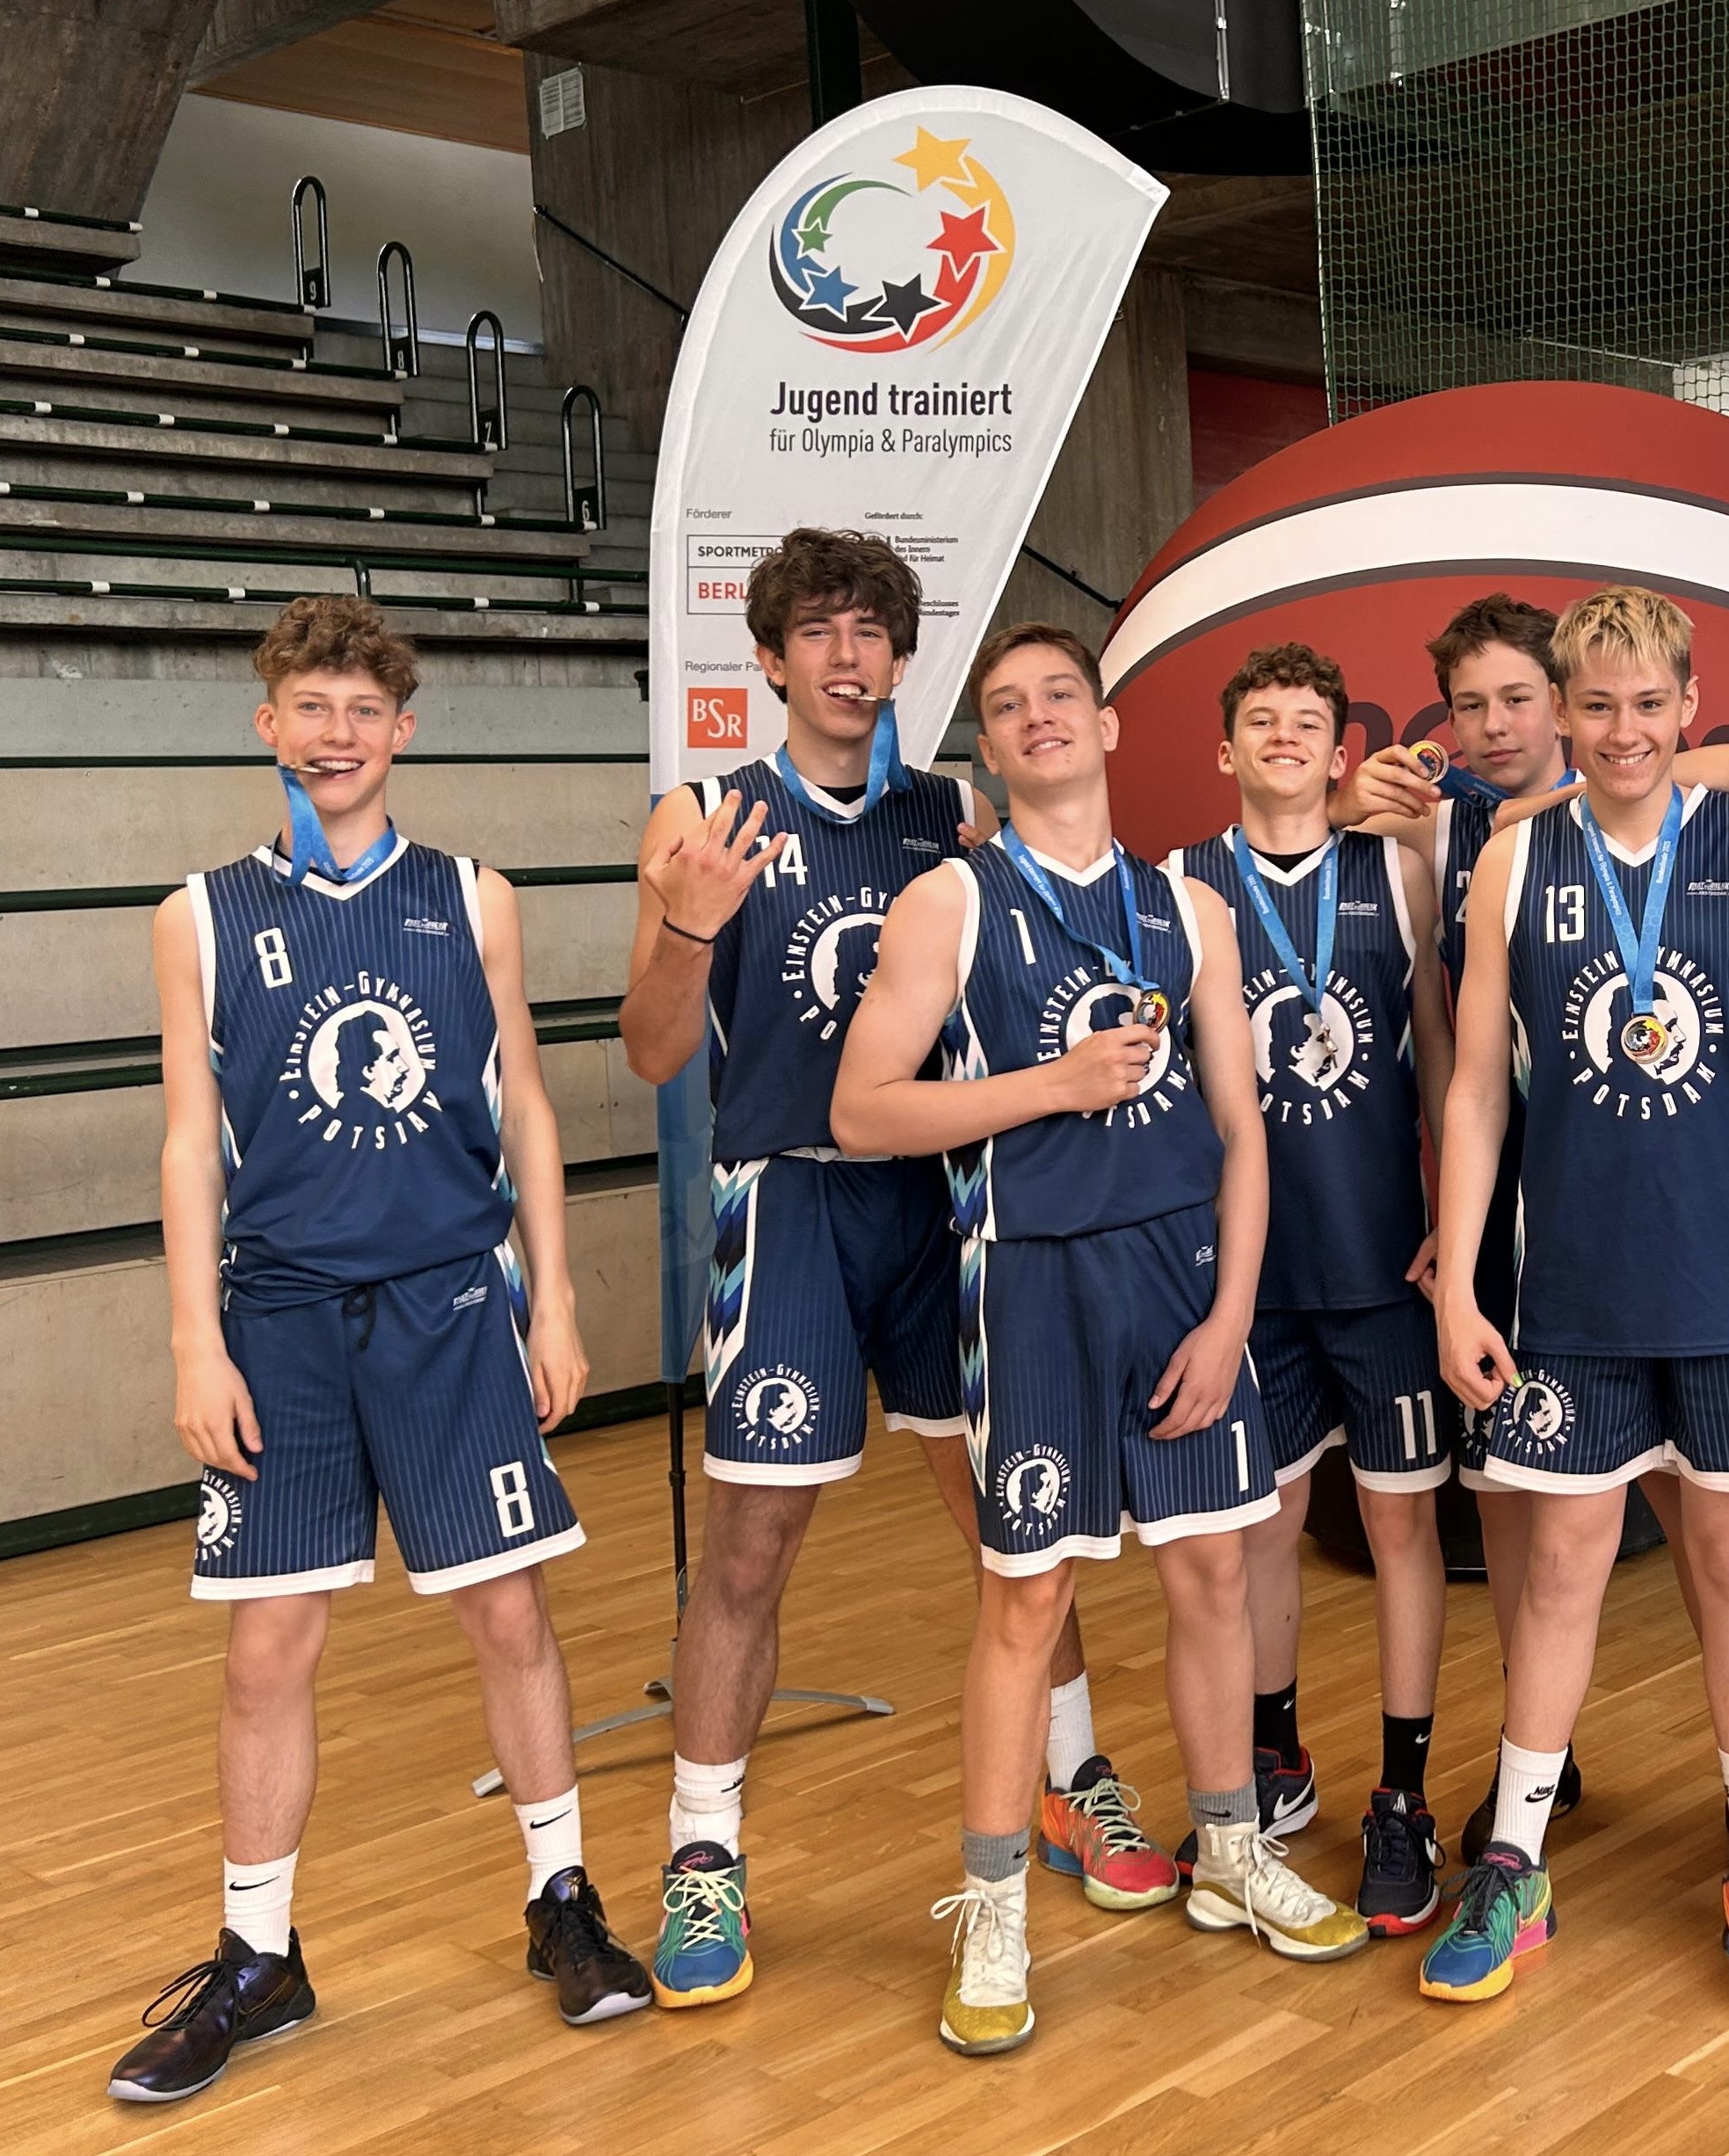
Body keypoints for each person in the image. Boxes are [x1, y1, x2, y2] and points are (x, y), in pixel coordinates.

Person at [620, 533, 1175, 2010]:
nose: (846, 654)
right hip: (791, 1200)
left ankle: (1070, 1779)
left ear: (900, 658)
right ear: (770, 656)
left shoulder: (955, 813)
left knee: (1016, 1519)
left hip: (947, 1199)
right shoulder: (703, 814)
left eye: (870, 629)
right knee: (751, 1546)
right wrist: (688, 928)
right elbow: (655, 1050)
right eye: (817, 629)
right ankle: (701, 1852)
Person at [112, 597, 649, 2104]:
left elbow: (525, 1102)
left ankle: (560, 1902)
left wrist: (555, 1300)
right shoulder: (197, 914)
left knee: (507, 1610)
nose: (337, 732)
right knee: (267, 1645)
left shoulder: (472, 896)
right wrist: (193, 1339)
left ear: (402, 730)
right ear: (267, 723)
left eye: (364, 709)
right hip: (278, 1318)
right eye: (312, 705)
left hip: (451, 1308)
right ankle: (258, 1954)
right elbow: (187, 1142)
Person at [835, 621, 1366, 2057]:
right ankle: (992, 1904)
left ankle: (1231, 1848)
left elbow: (1243, 1129)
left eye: (1060, 694)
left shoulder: (1190, 907)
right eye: (1007, 706)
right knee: (1025, 1600)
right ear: (989, 747)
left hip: (1183, 1283)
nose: (1038, 717)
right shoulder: (951, 900)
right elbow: (862, 1109)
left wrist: (1234, 1315)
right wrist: (1048, 1085)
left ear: (1109, 723)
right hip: (1031, 1286)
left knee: (1213, 1573)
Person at [1329, 595, 1729, 1887]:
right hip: (1572, 1281)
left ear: (1687, 703)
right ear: (1566, 710)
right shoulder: (1509, 863)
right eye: (1595, 705)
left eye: (1648, 703)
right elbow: (1476, 1088)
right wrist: (1456, 1285)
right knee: (1559, 1561)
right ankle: (1512, 1857)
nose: (1622, 730)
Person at [1169, 641, 1457, 1935]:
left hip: (1384, 1262)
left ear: (1342, 751)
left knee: (1401, 1529)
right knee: (1261, 1530)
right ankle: (1275, 1754)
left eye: (1307, 721)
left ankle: (1403, 1792)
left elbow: (1442, 1055)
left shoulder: (1395, 869)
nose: (1283, 737)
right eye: (1260, 720)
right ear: (1224, 748)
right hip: (1251, 1277)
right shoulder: (1179, 886)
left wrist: (1449, 1219)